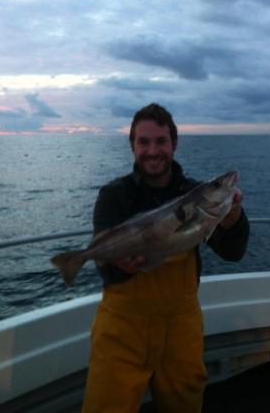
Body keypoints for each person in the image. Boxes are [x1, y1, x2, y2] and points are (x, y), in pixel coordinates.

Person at [81, 103, 250, 413]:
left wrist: (232, 220)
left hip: (181, 330)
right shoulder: (113, 195)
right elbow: (107, 272)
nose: (152, 150)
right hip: (122, 330)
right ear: (132, 145)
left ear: (174, 143)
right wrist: (121, 268)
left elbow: (233, 252)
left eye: (161, 141)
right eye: (143, 142)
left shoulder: (196, 192)